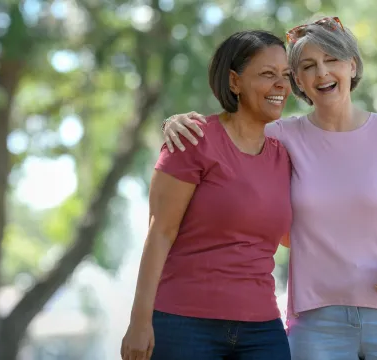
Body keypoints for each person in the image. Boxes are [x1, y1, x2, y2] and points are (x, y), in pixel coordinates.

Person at [160, 16, 377, 360]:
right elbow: (223, 133)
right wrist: (175, 121)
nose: (322, 73)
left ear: (352, 65)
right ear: (296, 79)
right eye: (308, 66)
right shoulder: (279, 137)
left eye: (332, 60)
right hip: (317, 323)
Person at [121, 30, 293, 360]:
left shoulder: (285, 155)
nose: (281, 86)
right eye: (267, 74)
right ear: (234, 81)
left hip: (262, 328)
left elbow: (290, 237)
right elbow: (159, 233)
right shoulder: (193, 140)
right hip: (184, 324)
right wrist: (139, 322)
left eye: (285, 76)